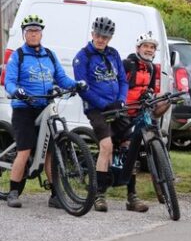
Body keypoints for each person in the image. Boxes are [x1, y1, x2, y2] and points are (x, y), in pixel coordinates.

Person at [4, 15, 84, 209]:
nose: (34, 34)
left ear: (41, 33)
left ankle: (56, 195)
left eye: (37, 31)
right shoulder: (18, 56)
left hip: (45, 106)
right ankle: (13, 191)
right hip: (24, 108)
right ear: (25, 34)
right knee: (25, 150)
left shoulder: (49, 54)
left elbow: (61, 78)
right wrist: (17, 92)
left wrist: (76, 85)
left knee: (51, 152)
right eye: (30, 31)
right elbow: (9, 81)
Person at [74, 16, 130, 212]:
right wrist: (104, 104)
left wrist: (121, 100)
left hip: (116, 105)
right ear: (92, 34)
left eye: (105, 37)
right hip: (97, 109)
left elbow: (123, 80)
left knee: (129, 144)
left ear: (110, 38)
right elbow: (83, 88)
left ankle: (132, 195)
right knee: (106, 146)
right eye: (98, 35)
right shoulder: (82, 57)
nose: (101, 40)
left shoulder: (113, 54)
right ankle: (98, 194)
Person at [118, 31, 171, 212]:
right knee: (127, 149)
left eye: (152, 47)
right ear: (138, 48)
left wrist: (164, 99)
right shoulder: (127, 64)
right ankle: (130, 195)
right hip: (125, 112)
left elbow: (152, 91)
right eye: (146, 46)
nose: (149, 50)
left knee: (157, 137)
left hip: (142, 111)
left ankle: (165, 181)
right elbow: (118, 87)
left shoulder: (152, 68)